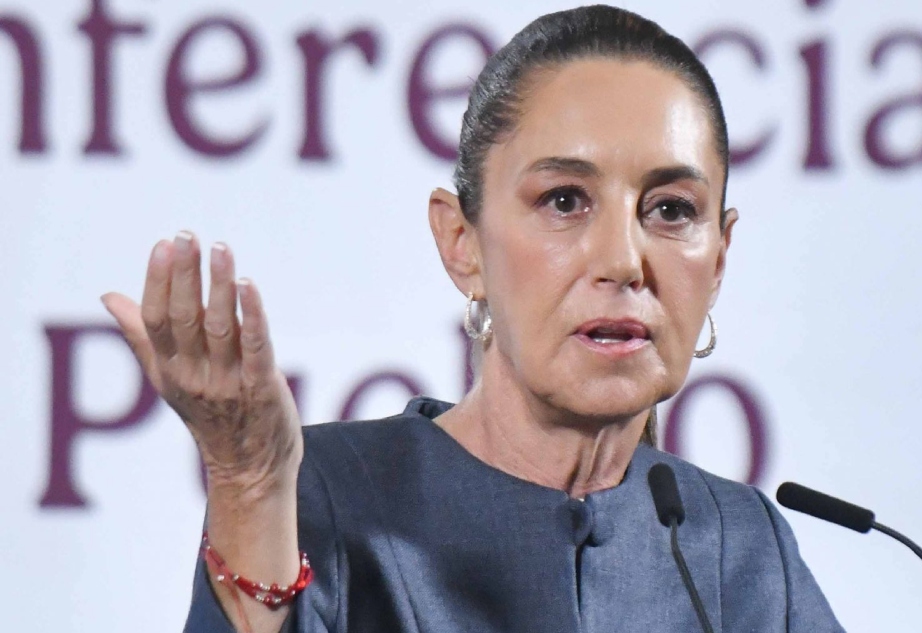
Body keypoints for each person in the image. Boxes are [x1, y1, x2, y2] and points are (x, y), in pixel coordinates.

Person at [102, 5, 844, 632]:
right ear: (462, 243)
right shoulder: (323, 495)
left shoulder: (743, 548)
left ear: (719, 260)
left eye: (672, 210)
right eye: (564, 201)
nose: (624, 261)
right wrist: (251, 484)